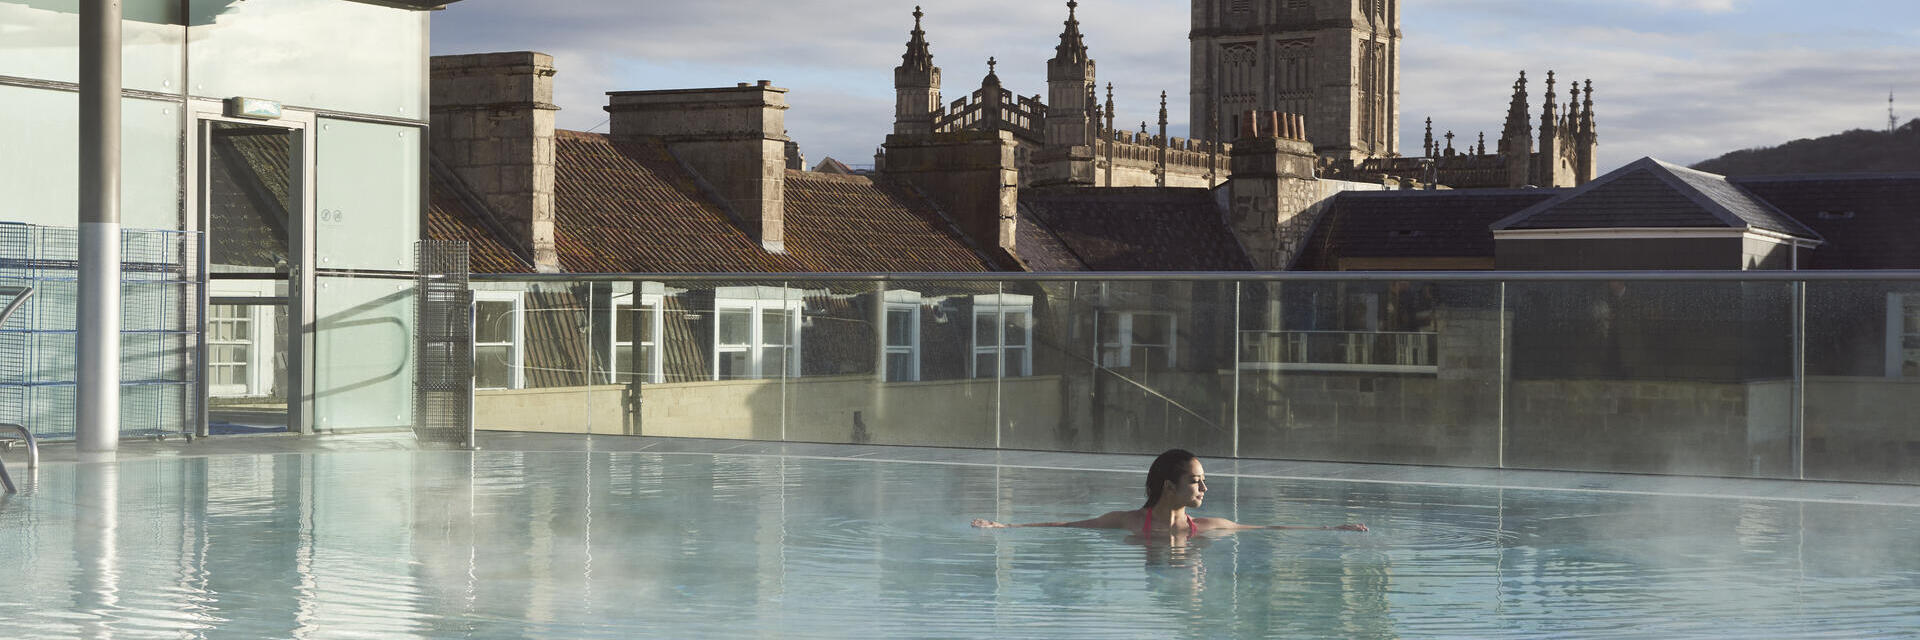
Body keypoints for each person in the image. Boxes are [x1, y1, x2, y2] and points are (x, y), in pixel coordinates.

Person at [970, 449, 1368, 535]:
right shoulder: (1126, 521)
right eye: (1196, 481)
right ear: (1169, 487)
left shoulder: (1210, 526)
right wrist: (1006, 525)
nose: (1204, 487)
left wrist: (1332, 529)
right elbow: (1071, 524)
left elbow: (1265, 528)